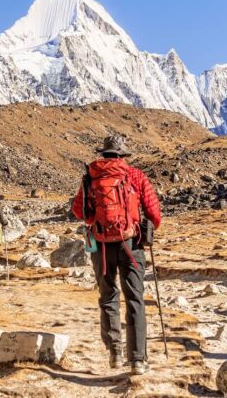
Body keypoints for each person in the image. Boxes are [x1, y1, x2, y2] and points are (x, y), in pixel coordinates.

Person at [72, 135, 161, 376]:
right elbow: (154, 212)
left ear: (103, 154)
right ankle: (138, 360)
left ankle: (115, 352)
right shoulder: (135, 175)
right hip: (130, 244)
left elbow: (78, 210)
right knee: (135, 298)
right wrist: (145, 229)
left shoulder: (91, 177)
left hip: (100, 246)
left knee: (108, 296)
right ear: (122, 155)